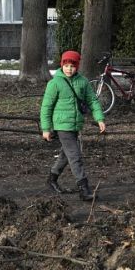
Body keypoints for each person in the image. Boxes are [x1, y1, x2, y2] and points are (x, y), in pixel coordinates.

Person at [39, 50, 106, 202]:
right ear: (62, 65)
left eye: (72, 66)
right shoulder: (55, 83)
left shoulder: (82, 82)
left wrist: (100, 118)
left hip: (75, 125)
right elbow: (46, 107)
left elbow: (92, 101)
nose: (69, 69)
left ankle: (51, 179)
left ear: (77, 67)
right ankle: (84, 189)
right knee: (75, 156)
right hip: (62, 126)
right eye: (66, 65)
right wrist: (46, 128)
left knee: (66, 155)